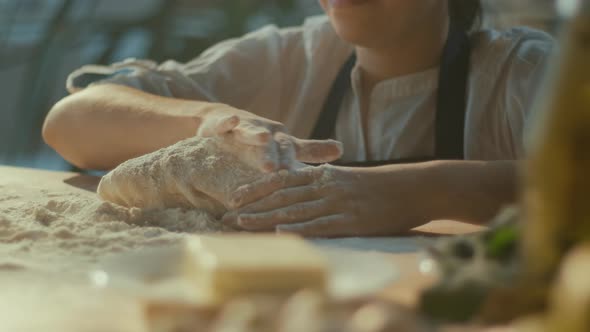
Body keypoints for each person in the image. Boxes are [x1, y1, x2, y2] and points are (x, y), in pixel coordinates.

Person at [43, 0, 554, 237]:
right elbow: (70, 123)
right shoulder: (289, 58)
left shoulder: (525, 71)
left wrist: (422, 190)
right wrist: (210, 120)